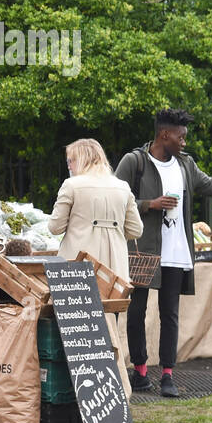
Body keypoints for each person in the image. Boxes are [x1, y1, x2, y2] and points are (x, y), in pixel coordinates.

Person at [115, 109, 212, 397]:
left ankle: (167, 374)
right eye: (181, 137)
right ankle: (140, 372)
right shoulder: (135, 161)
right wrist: (149, 205)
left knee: (171, 314)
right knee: (136, 312)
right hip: (143, 250)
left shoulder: (185, 164)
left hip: (177, 251)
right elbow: (115, 198)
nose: (184, 142)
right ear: (164, 135)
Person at [47, 138, 143, 396]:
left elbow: (54, 227)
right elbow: (136, 229)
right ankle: (115, 390)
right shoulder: (122, 187)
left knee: (78, 332)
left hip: (79, 267)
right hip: (115, 272)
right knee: (109, 330)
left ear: (79, 159)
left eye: (70, 160)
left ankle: (75, 392)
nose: (68, 165)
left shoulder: (72, 185)